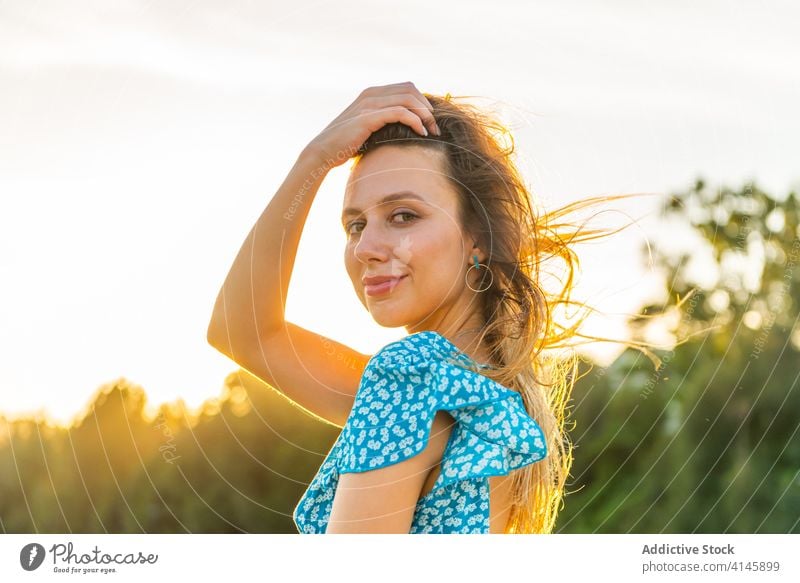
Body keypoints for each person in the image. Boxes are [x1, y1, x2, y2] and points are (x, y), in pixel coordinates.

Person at [207, 81, 648, 534]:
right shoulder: (490, 397)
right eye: (355, 225)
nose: (365, 248)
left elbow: (241, 331)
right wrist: (313, 159)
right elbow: (242, 332)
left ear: (477, 238)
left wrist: (313, 161)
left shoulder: (408, 383)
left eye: (403, 216)